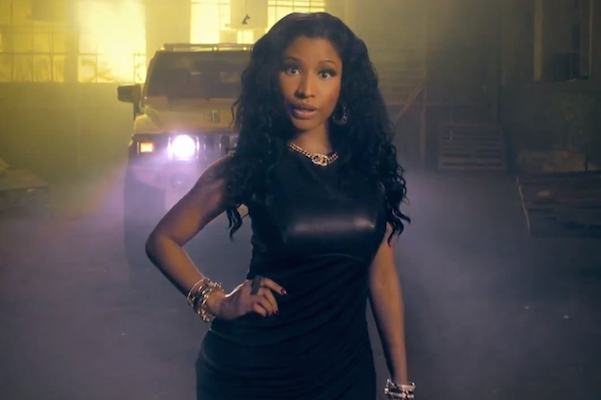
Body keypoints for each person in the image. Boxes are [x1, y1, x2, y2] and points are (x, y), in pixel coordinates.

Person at [145, 12, 414, 400]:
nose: (306, 89)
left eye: (325, 73)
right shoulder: (252, 164)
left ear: (345, 83)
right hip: (255, 373)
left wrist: (401, 384)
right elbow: (162, 240)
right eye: (292, 69)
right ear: (272, 76)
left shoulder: (370, 168)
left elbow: (383, 278)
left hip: (345, 373)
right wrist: (216, 301)